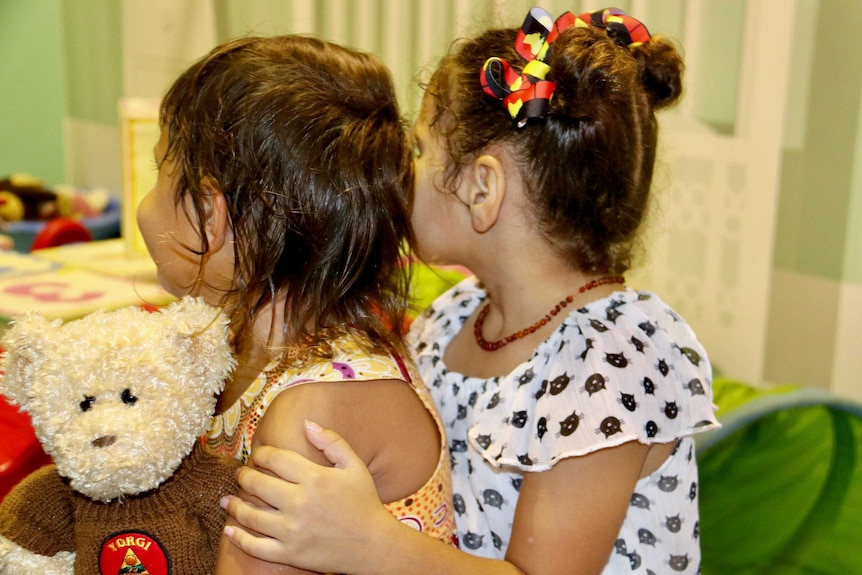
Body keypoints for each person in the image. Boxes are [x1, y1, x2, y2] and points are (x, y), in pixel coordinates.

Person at [220, 7, 721, 575]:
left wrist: (366, 541)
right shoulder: (454, 316)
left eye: (418, 149)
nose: (400, 175)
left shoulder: (615, 362)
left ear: (482, 188)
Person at [135, 34, 457, 574]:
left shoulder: (312, 413)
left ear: (209, 214)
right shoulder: (237, 348)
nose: (147, 205)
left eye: (159, 173)